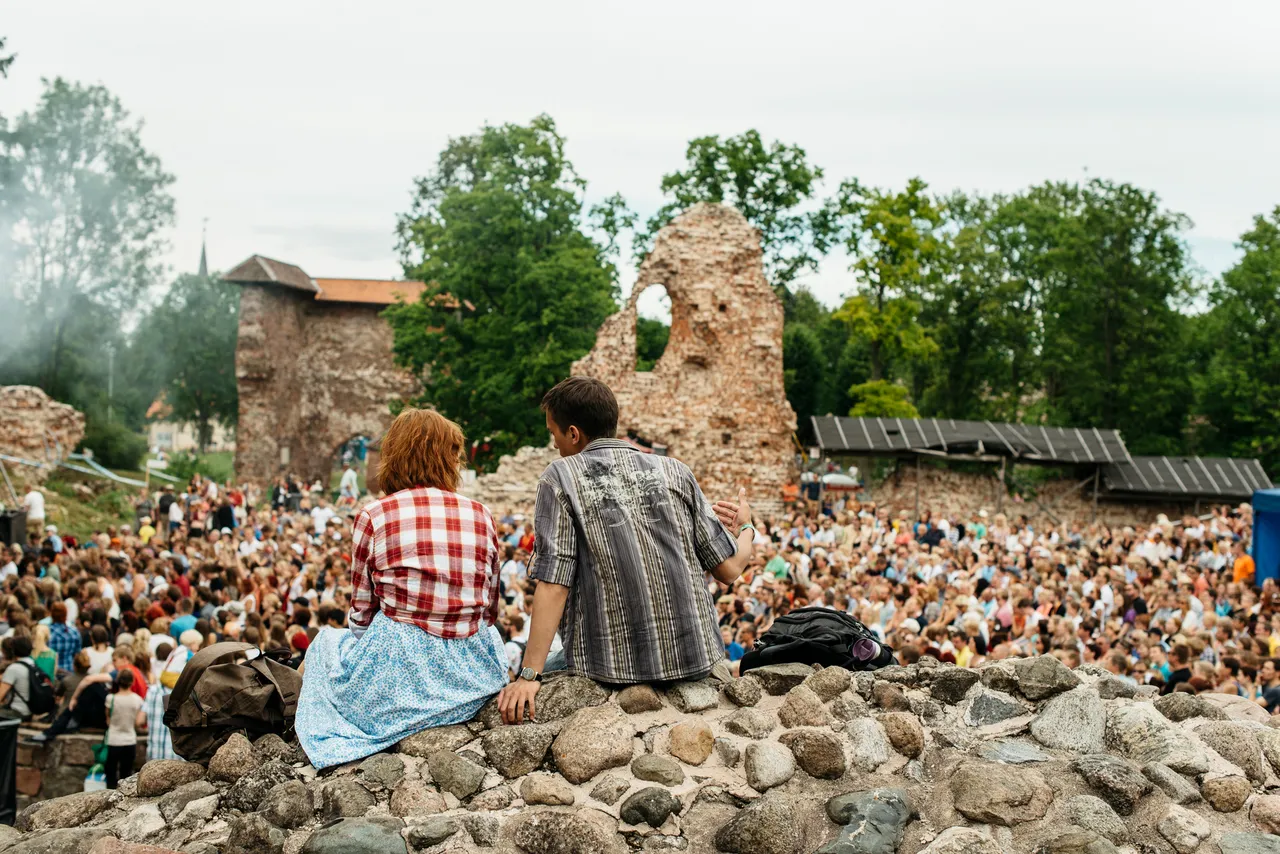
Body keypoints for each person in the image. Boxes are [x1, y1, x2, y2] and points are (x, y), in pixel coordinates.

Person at [499, 377, 754, 724]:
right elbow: (730, 570)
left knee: (539, 671)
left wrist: (528, 677)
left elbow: (554, 583)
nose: (555, 445)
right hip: (695, 659)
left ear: (574, 434)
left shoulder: (559, 476)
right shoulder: (676, 470)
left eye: (554, 434)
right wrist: (746, 527)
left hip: (610, 665)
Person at [295, 408, 508, 768]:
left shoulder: (374, 515)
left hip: (400, 664)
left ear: (394, 454)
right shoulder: (480, 513)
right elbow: (489, 609)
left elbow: (361, 615)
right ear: (448, 458)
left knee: (324, 646)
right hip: (472, 670)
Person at [102, 669, 146, 789]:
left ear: (117, 681)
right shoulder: (137, 700)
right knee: (126, 774)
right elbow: (138, 722)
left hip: (113, 739)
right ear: (132, 682)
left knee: (110, 772)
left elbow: (107, 718)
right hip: (129, 739)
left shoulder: (110, 699)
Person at [0, 636, 38, 720]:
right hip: (30, 710)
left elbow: (1, 694)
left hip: (17, 712)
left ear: (13, 650)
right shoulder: (33, 664)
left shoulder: (13, 668)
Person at [47, 602, 82, 673]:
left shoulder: (47, 632)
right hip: (69, 670)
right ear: (65, 615)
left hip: (51, 671)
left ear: (52, 614)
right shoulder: (74, 632)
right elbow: (77, 653)